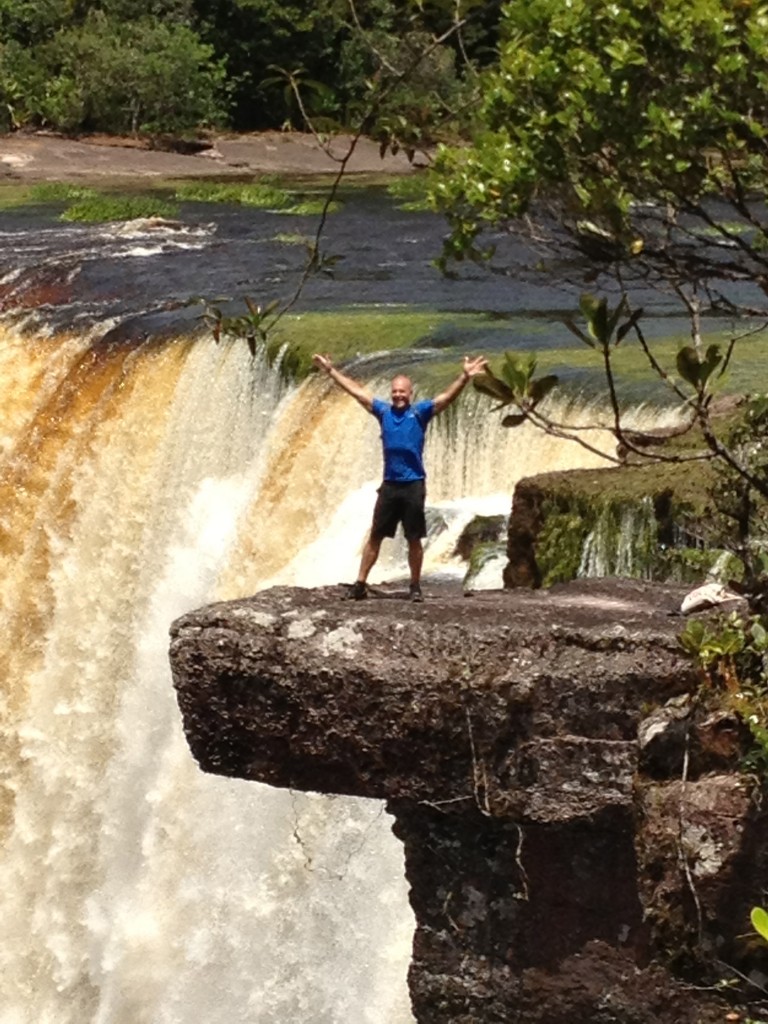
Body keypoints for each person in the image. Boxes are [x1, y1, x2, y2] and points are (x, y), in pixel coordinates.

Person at [312, 352, 488, 601]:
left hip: (413, 485)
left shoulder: (420, 413)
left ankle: (415, 587)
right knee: (375, 536)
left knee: (414, 538)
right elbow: (357, 392)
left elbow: (445, 399)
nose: (398, 395)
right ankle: (360, 584)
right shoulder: (383, 412)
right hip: (390, 486)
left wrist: (464, 377)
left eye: (402, 391)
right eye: (394, 391)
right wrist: (331, 371)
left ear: (410, 393)